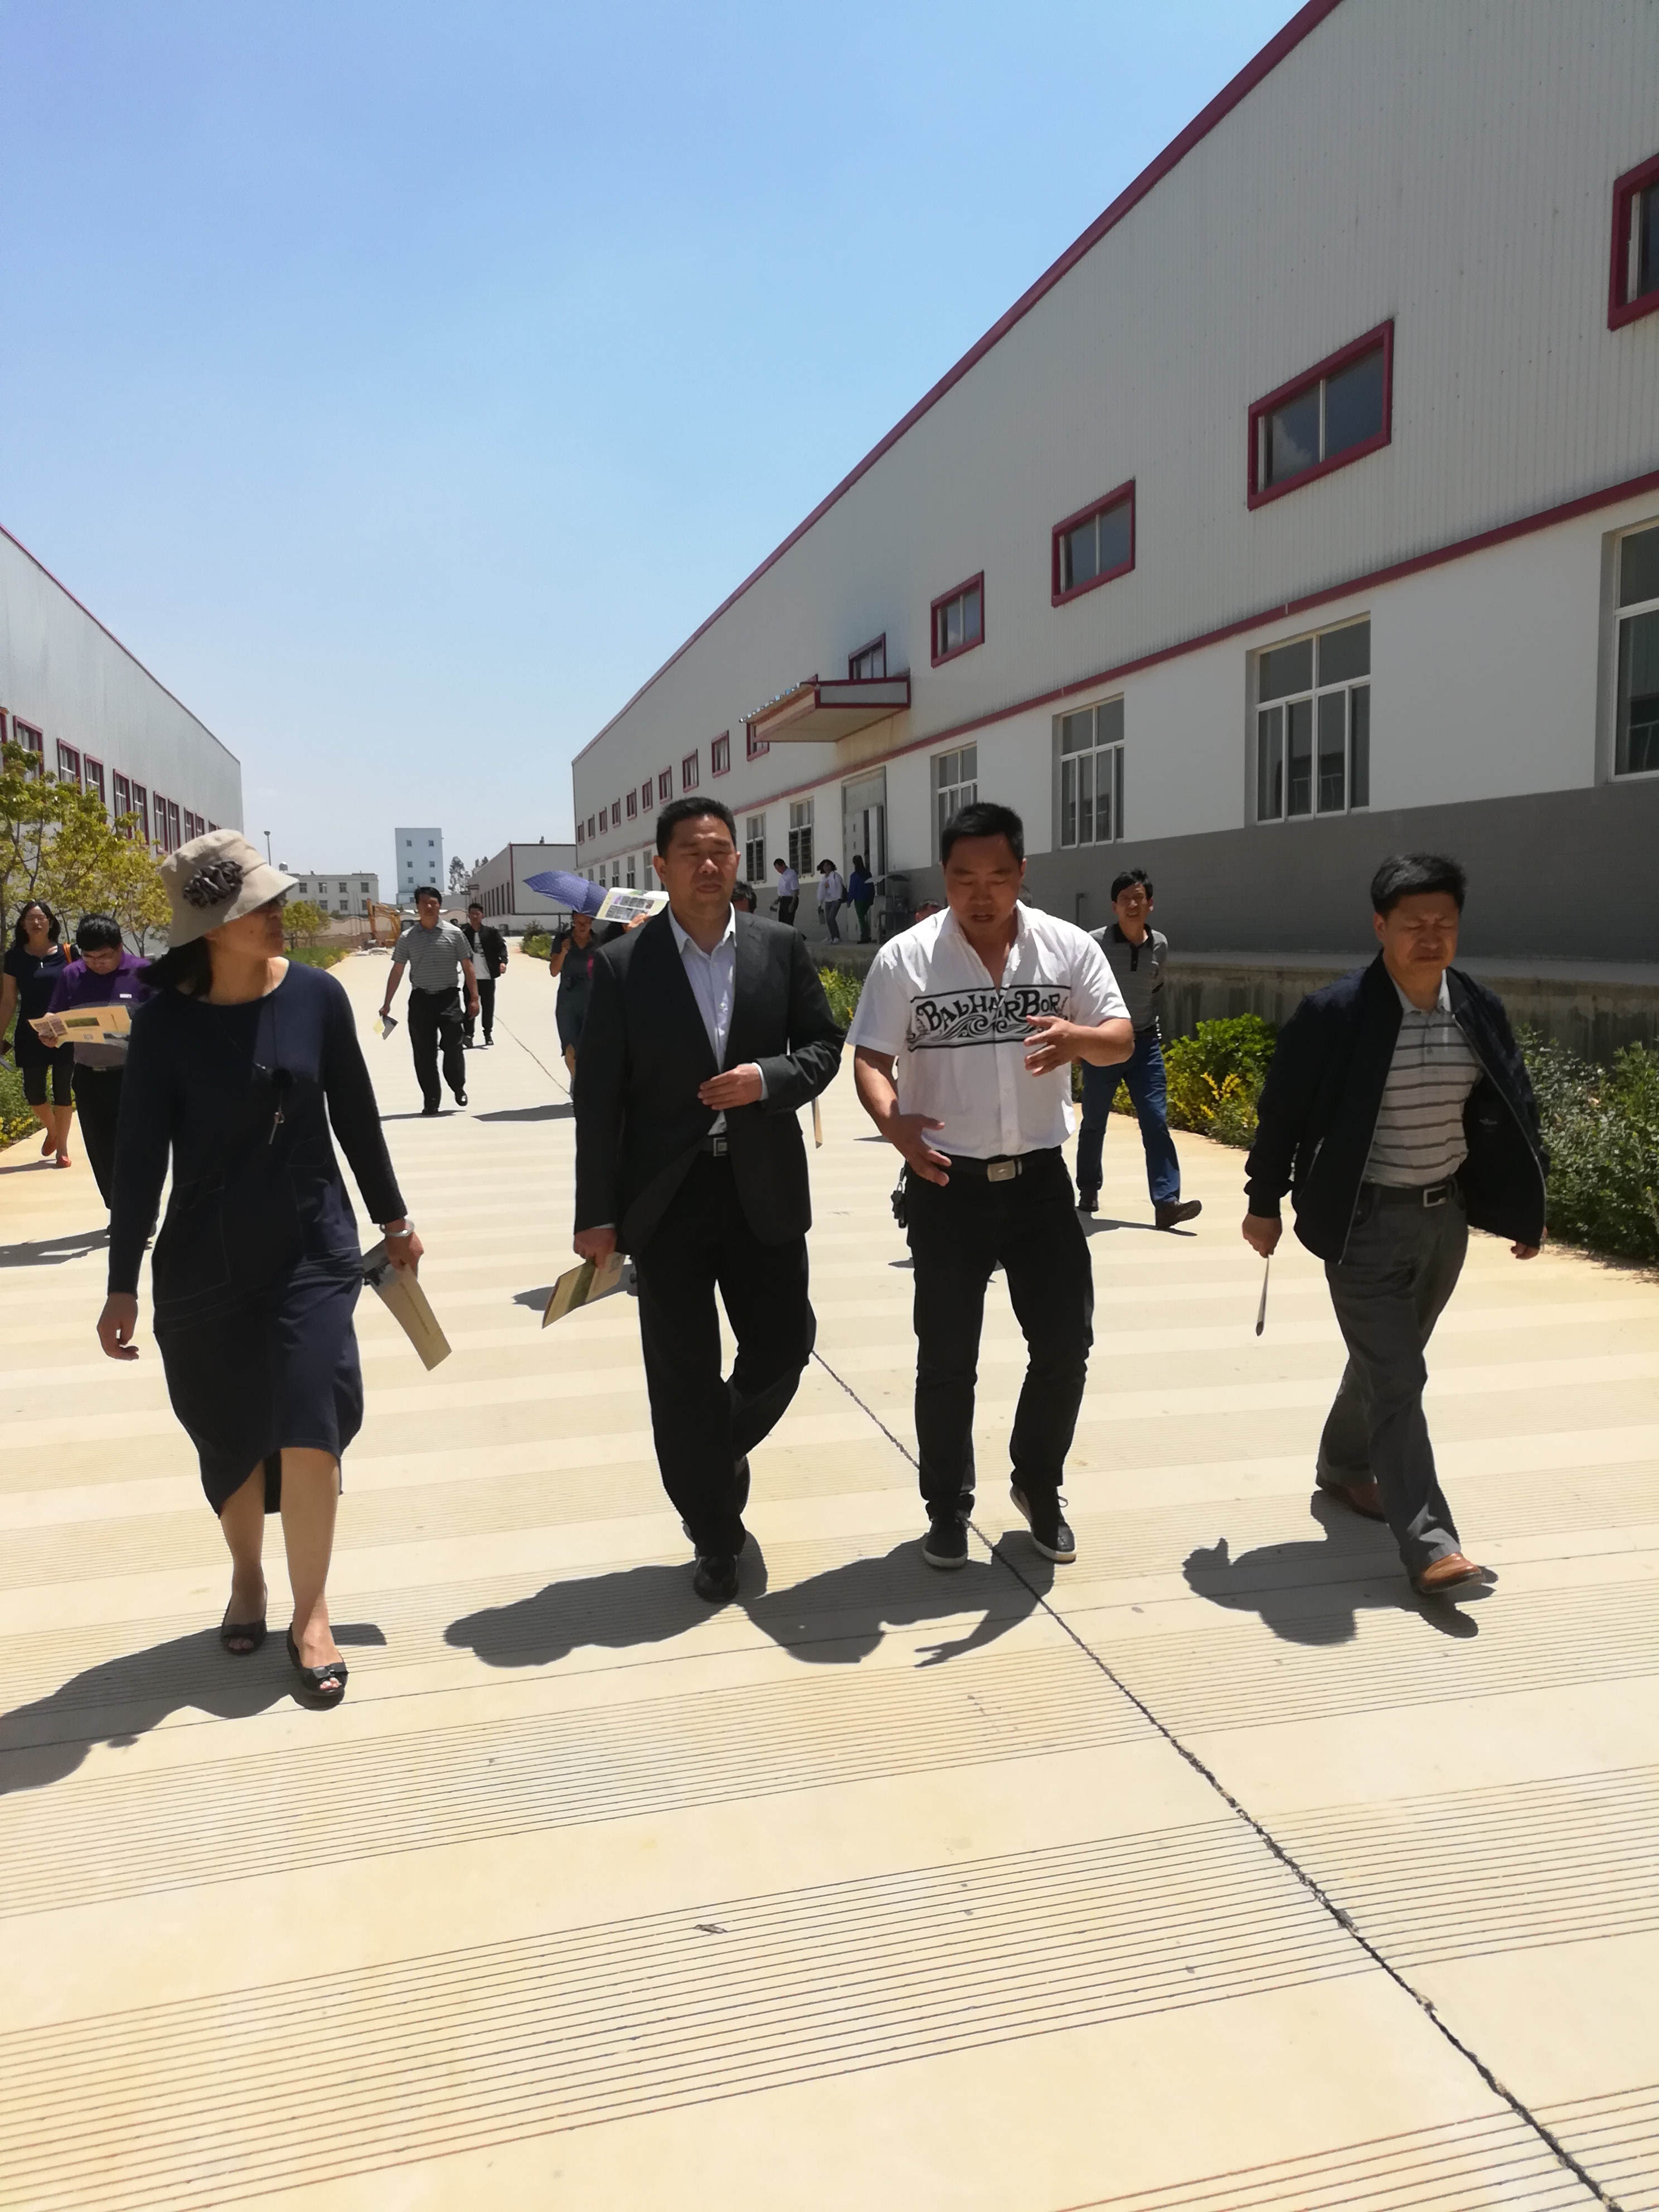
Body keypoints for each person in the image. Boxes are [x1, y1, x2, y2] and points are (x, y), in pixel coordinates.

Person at [96, 830, 422, 1706]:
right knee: (231, 1434)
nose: (279, 913)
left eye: (275, 897)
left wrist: (394, 1221)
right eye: (257, 906)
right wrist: (121, 1282)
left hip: (312, 1250)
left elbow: (357, 1117)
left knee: (312, 1423)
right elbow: (138, 1163)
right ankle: (248, 1576)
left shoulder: (317, 998)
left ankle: (311, 1614)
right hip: (205, 1263)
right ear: (209, 928)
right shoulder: (164, 1027)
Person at [1242, 852, 1546, 1599]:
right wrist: (1263, 1200)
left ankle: (1343, 1465)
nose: (1431, 936)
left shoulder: (1475, 1007)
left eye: (1445, 922)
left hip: (1445, 1220)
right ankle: (1431, 1543)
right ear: (1381, 926)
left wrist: (1527, 1203)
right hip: (1362, 1220)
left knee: (1387, 1365)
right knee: (1400, 1376)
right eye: (1415, 923)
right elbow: (1282, 1113)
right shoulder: (1337, 1013)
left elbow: (1515, 1104)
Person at [573, 797, 843, 1604]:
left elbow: (825, 1045)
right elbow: (599, 1099)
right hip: (669, 1200)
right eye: (691, 852)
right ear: (660, 866)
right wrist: (596, 1214)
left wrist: (768, 1079)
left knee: (784, 1345)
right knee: (681, 1374)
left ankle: (710, 1450)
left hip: (761, 1187)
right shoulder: (624, 965)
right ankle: (715, 1536)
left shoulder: (779, 946)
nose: (709, 864)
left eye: (722, 849)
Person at [848, 801, 1132, 1569]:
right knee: (946, 1358)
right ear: (943, 876)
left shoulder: (1068, 948)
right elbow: (870, 1058)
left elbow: (1119, 1037)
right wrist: (894, 1124)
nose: (982, 894)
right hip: (946, 1183)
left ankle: (1038, 1483)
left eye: (998, 877)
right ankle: (947, 1505)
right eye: (964, 878)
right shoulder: (906, 960)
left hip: (1040, 1183)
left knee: (1065, 1345)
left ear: (1022, 873)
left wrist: (1078, 1037)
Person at [1076, 869, 1201, 1229]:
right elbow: (1079, 989)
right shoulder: (1095, 943)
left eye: (1139, 898)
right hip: (1103, 1043)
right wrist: (1082, 1040)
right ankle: (1088, 1188)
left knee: (1156, 1121)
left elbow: (1154, 988)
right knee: (1094, 1121)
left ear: (1150, 904)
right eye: (1125, 899)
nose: (1133, 904)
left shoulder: (1159, 944)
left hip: (1145, 1044)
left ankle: (1167, 1202)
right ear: (1114, 906)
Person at [41, 914, 153, 1205]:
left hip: (134, 1076)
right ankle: (118, 1210)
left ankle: (141, 1213)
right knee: (101, 1150)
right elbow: (55, 1012)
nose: (96, 964)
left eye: (104, 957)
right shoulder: (72, 975)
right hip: (89, 1076)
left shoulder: (144, 972)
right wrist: (49, 1030)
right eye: (89, 957)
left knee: (136, 1149)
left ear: (119, 947)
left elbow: (167, 1020)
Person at [379, 886, 478, 1115]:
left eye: (433, 902)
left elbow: (468, 967)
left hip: (449, 999)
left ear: (440, 905)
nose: (429, 907)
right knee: (424, 1054)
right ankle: (431, 1099)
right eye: (424, 903)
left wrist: (474, 998)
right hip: (421, 1001)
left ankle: (458, 1086)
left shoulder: (455, 934)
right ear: (417, 907)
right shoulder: (407, 938)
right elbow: (398, 970)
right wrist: (387, 1002)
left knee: (454, 1047)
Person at [1, 900, 75, 1166]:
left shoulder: (69, 953)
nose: (36, 922)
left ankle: (62, 1149)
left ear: (50, 922)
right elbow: (8, 999)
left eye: (41, 917)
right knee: (33, 1093)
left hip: (63, 1030)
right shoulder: (14, 958)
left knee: (63, 1090)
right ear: (23, 924)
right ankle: (53, 1130)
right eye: (31, 918)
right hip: (29, 1031)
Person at [548, 908, 623, 1078]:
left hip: (591, 999)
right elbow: (553, 971)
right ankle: (576, 1082)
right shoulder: (562, 939)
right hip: (567, 999)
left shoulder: (599, 942)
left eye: (587, 923)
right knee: (570, 1047)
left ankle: (582, 1084)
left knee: (588, 1047)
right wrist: (563, 952)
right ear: (573, 920)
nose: (583, 926)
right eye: (580, 922)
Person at [460, 899, 508, 1047]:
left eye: (478, 913)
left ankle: (488, 1034)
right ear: (468, 916)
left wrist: (503, 962)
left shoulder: (491, 933)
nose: (475, 916)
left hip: (487, 977)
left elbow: (502, 948)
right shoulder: (464, 934)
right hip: (471, 979)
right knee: (470, 1006)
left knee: (488, 1007)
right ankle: (469, 1035)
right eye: (472, 914)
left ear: (482, 915)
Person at [816, 858, 846, 944]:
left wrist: (839, 898)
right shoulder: (823, 879)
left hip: (836, 900)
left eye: (828, 865)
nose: (827, 867)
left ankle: (837, 936)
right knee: (828, 920)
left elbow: (840, 887)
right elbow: (821, 892)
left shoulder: (836, 876)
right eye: (825, 866)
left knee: (831, 918)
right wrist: (820, 904)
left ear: (831, 866)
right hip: (828, 901)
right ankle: (833, 937)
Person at [847, 853, 876, 943]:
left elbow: (852, 889)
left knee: (862, 919)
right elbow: (872, 887)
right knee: (867, 918)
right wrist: (872, 898)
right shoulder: (868, 874)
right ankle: (868, 935)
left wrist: (849, 901)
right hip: (868, 899)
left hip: (859, 900)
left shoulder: (854, 876)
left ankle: (864, 937)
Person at [772, 856, 800, 928]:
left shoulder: (791, 874)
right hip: (783, 900)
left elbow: (796, 891)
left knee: (788, 922)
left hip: (790, 900)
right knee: (782, 922)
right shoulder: (783, 875)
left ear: (783, 865)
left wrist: (792, 904)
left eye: (779, 868)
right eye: (777, 869)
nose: (778, 871)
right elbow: (784, 890)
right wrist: (779, 899)